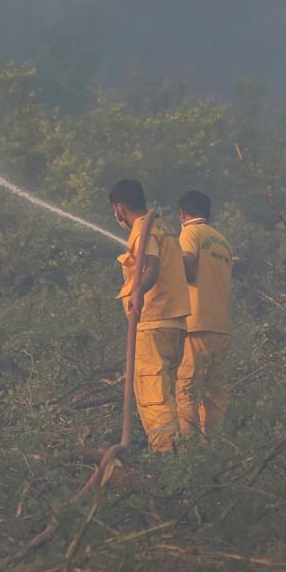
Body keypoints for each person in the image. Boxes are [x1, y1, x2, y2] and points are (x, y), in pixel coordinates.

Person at [110, 179, 191, 453]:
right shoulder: (165, 228)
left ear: (119, 208)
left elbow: (151, 267)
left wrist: (138, 292)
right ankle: (185, 457)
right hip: (175, 324)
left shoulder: (142, 229)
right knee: (168, 395)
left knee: (153, 396)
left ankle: (168, 460)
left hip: (154, 323)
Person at [175, 190, 233, 440]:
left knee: (188, 389)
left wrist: (169, 262)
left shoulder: (190, 232)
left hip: (196, 323)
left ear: (182, 214)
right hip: (221, 326)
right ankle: (212, 447)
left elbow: (188, 267)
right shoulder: (223, 240)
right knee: (215, 394)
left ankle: (188, 452)